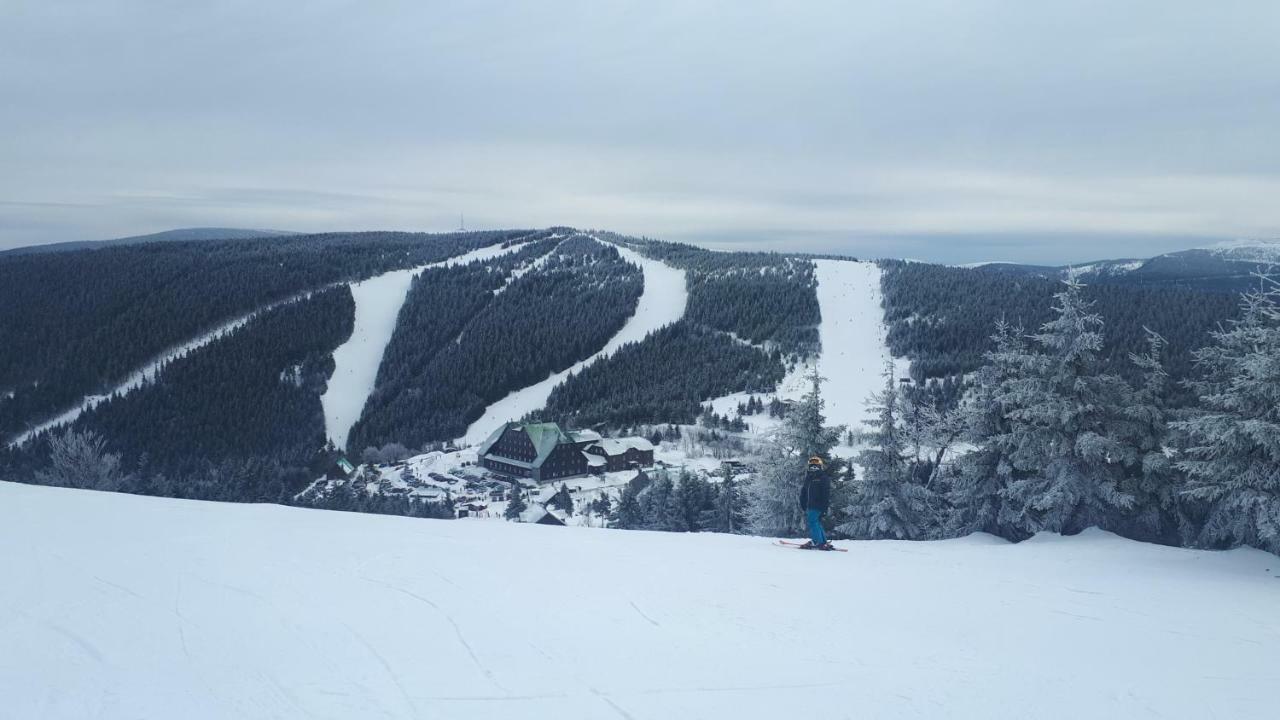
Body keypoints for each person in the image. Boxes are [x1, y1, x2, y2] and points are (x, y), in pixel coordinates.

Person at [798, 456, 834, 550]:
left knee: (813, 521)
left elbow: (826, 494)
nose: (814, 468)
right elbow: (804, 491)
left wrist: (824, 508)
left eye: (816, 466)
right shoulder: (808, 478)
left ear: (820, 466)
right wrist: (802, 502)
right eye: (812, 466)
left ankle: (819, 542)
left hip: (818, 505)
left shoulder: (823, 478)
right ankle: (822, 541)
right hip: (810, 505)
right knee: (816, 522)